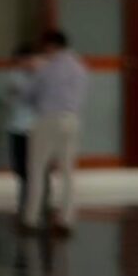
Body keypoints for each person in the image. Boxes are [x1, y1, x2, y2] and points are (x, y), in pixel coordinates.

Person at [24, 27, 89, 236]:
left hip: (48, 119)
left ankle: (31, 218)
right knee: (68, 172)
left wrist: (33, 71)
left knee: (37, 169)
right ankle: (66, 219)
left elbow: (29, 95)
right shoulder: (79, 67)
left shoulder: (46, 67)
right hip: (71, 120)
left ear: (50, 46)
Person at [5, 42, 40, 219]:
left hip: (33, 128)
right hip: (16, 127)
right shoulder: (14, 75)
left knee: (35, 168)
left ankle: (35, 204)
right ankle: (24, 202)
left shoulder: (40, 76)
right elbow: (14, 96)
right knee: (19, 168)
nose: (23, 63)